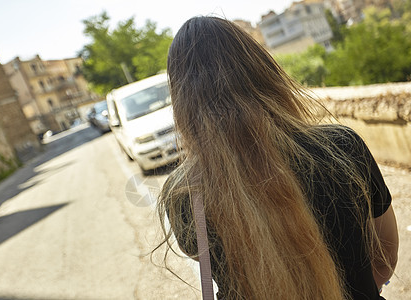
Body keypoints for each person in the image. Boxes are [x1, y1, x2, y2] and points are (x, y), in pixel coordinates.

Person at [154, 16, 399, 299]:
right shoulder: (342, 147)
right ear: (263, 69)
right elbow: (384, 259)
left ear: (182, 102)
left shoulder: (183, 194)